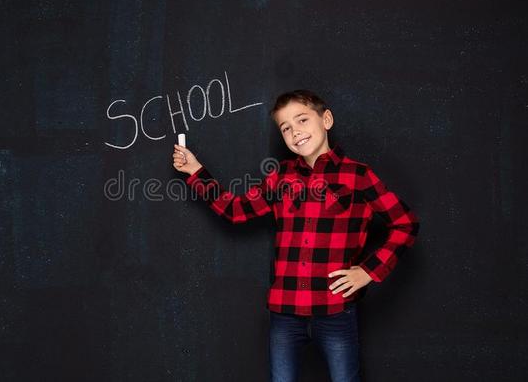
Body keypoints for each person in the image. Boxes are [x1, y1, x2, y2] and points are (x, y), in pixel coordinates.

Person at [172, 89, 420, 382]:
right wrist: (195, 171)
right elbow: (236, 210)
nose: (295, 131)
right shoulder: (281, 177)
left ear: (325, 119)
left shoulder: (358, 176)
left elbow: (405, 223)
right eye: (286, 127)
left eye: (302, 120)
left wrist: (368, 272)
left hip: (335, 311)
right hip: (285, 313)